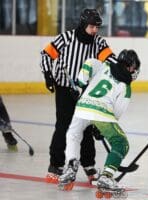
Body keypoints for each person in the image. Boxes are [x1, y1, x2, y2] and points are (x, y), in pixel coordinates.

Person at [40, 8, 118, 184]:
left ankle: (89, 164)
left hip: (85, 91)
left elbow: (111, 60)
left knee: (87, 127)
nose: (95, 30)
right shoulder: (66, 38)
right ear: (83, 24)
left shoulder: (98, 42)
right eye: (92, 26)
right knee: (63, 125)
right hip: (65, 89)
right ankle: (55, 165)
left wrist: (122, 69)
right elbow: (46, 54)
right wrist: (47, 75)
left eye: (97, 27)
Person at [58, 49, 140, 193]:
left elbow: (89, 63)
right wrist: (100, 128)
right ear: (128, 66)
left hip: (82, 106)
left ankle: (71, 165)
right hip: (102, 113)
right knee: (120, 143)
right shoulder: (126, 87)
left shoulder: (105, 65)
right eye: (133, 68)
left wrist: (80, 83)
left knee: (73, 134)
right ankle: (107, 177)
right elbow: (116, 113)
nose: (134, 71)